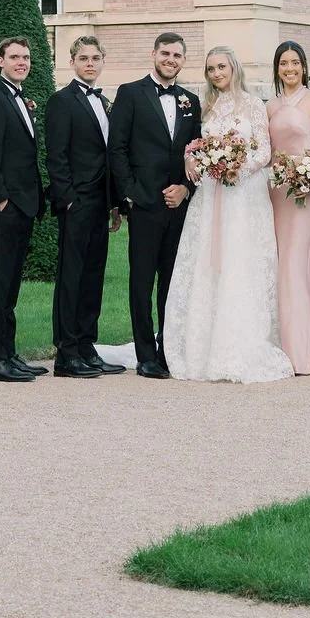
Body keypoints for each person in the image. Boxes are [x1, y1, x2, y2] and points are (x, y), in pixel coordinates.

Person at [161, 47, 293, 383]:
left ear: (234, 67)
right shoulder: (205, 107)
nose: (216, 73)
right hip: (210, 195)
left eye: (221, 67)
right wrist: (194, 160)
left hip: (243, 195)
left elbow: (264, 150)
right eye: (210, 69)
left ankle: (239, 342)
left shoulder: (253, 104)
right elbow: (193, 145)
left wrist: (239, 166)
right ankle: (204, 345)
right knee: (208, 263)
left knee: (240, 262)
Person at [107, 32, 201, 380]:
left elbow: (197, 151)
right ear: (154, 54)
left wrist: (187, 188)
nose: (170, 59)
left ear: (183, 60)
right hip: (145, 204)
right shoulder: (130, 93)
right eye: (165, 53)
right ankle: (145, 354)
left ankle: (167, 350)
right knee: (141, 281)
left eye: (177, 55)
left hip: (178, 206)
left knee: (171, 283)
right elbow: (116, 148)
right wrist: (130, 195)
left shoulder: (190, 100)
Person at [44, 35, 123, 377]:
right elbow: (56, 155)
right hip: (77, 202)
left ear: (102, 62)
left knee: (93, 275)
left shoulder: (105, 101)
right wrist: (69, 199)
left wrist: (115, 203)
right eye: (83, 58)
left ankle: (87, 346)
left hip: (100, 202)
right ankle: (67, 351)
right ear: (72, 62)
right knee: (72, 275)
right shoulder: (62, 101)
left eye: (95, 58)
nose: (90, 63)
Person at [0, 37, 44, 383]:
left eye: (26, 57)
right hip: (7, 206)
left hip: (24, 205)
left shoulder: (19, 98)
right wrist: (0, 199)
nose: (22, 62)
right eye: (15, 57)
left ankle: (9, 352)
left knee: (11, 284)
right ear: (0, 61)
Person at [266, 41, 310, 375]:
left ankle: (307, 352)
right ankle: (282, 347)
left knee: (298, 263)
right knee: (279, 263)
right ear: (277, 69)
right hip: (276, 190)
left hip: (307, 192)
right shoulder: (269, 106)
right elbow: (266, 153)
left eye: (295, 62)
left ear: (304, 67)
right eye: (283, 63)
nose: (289, 69)